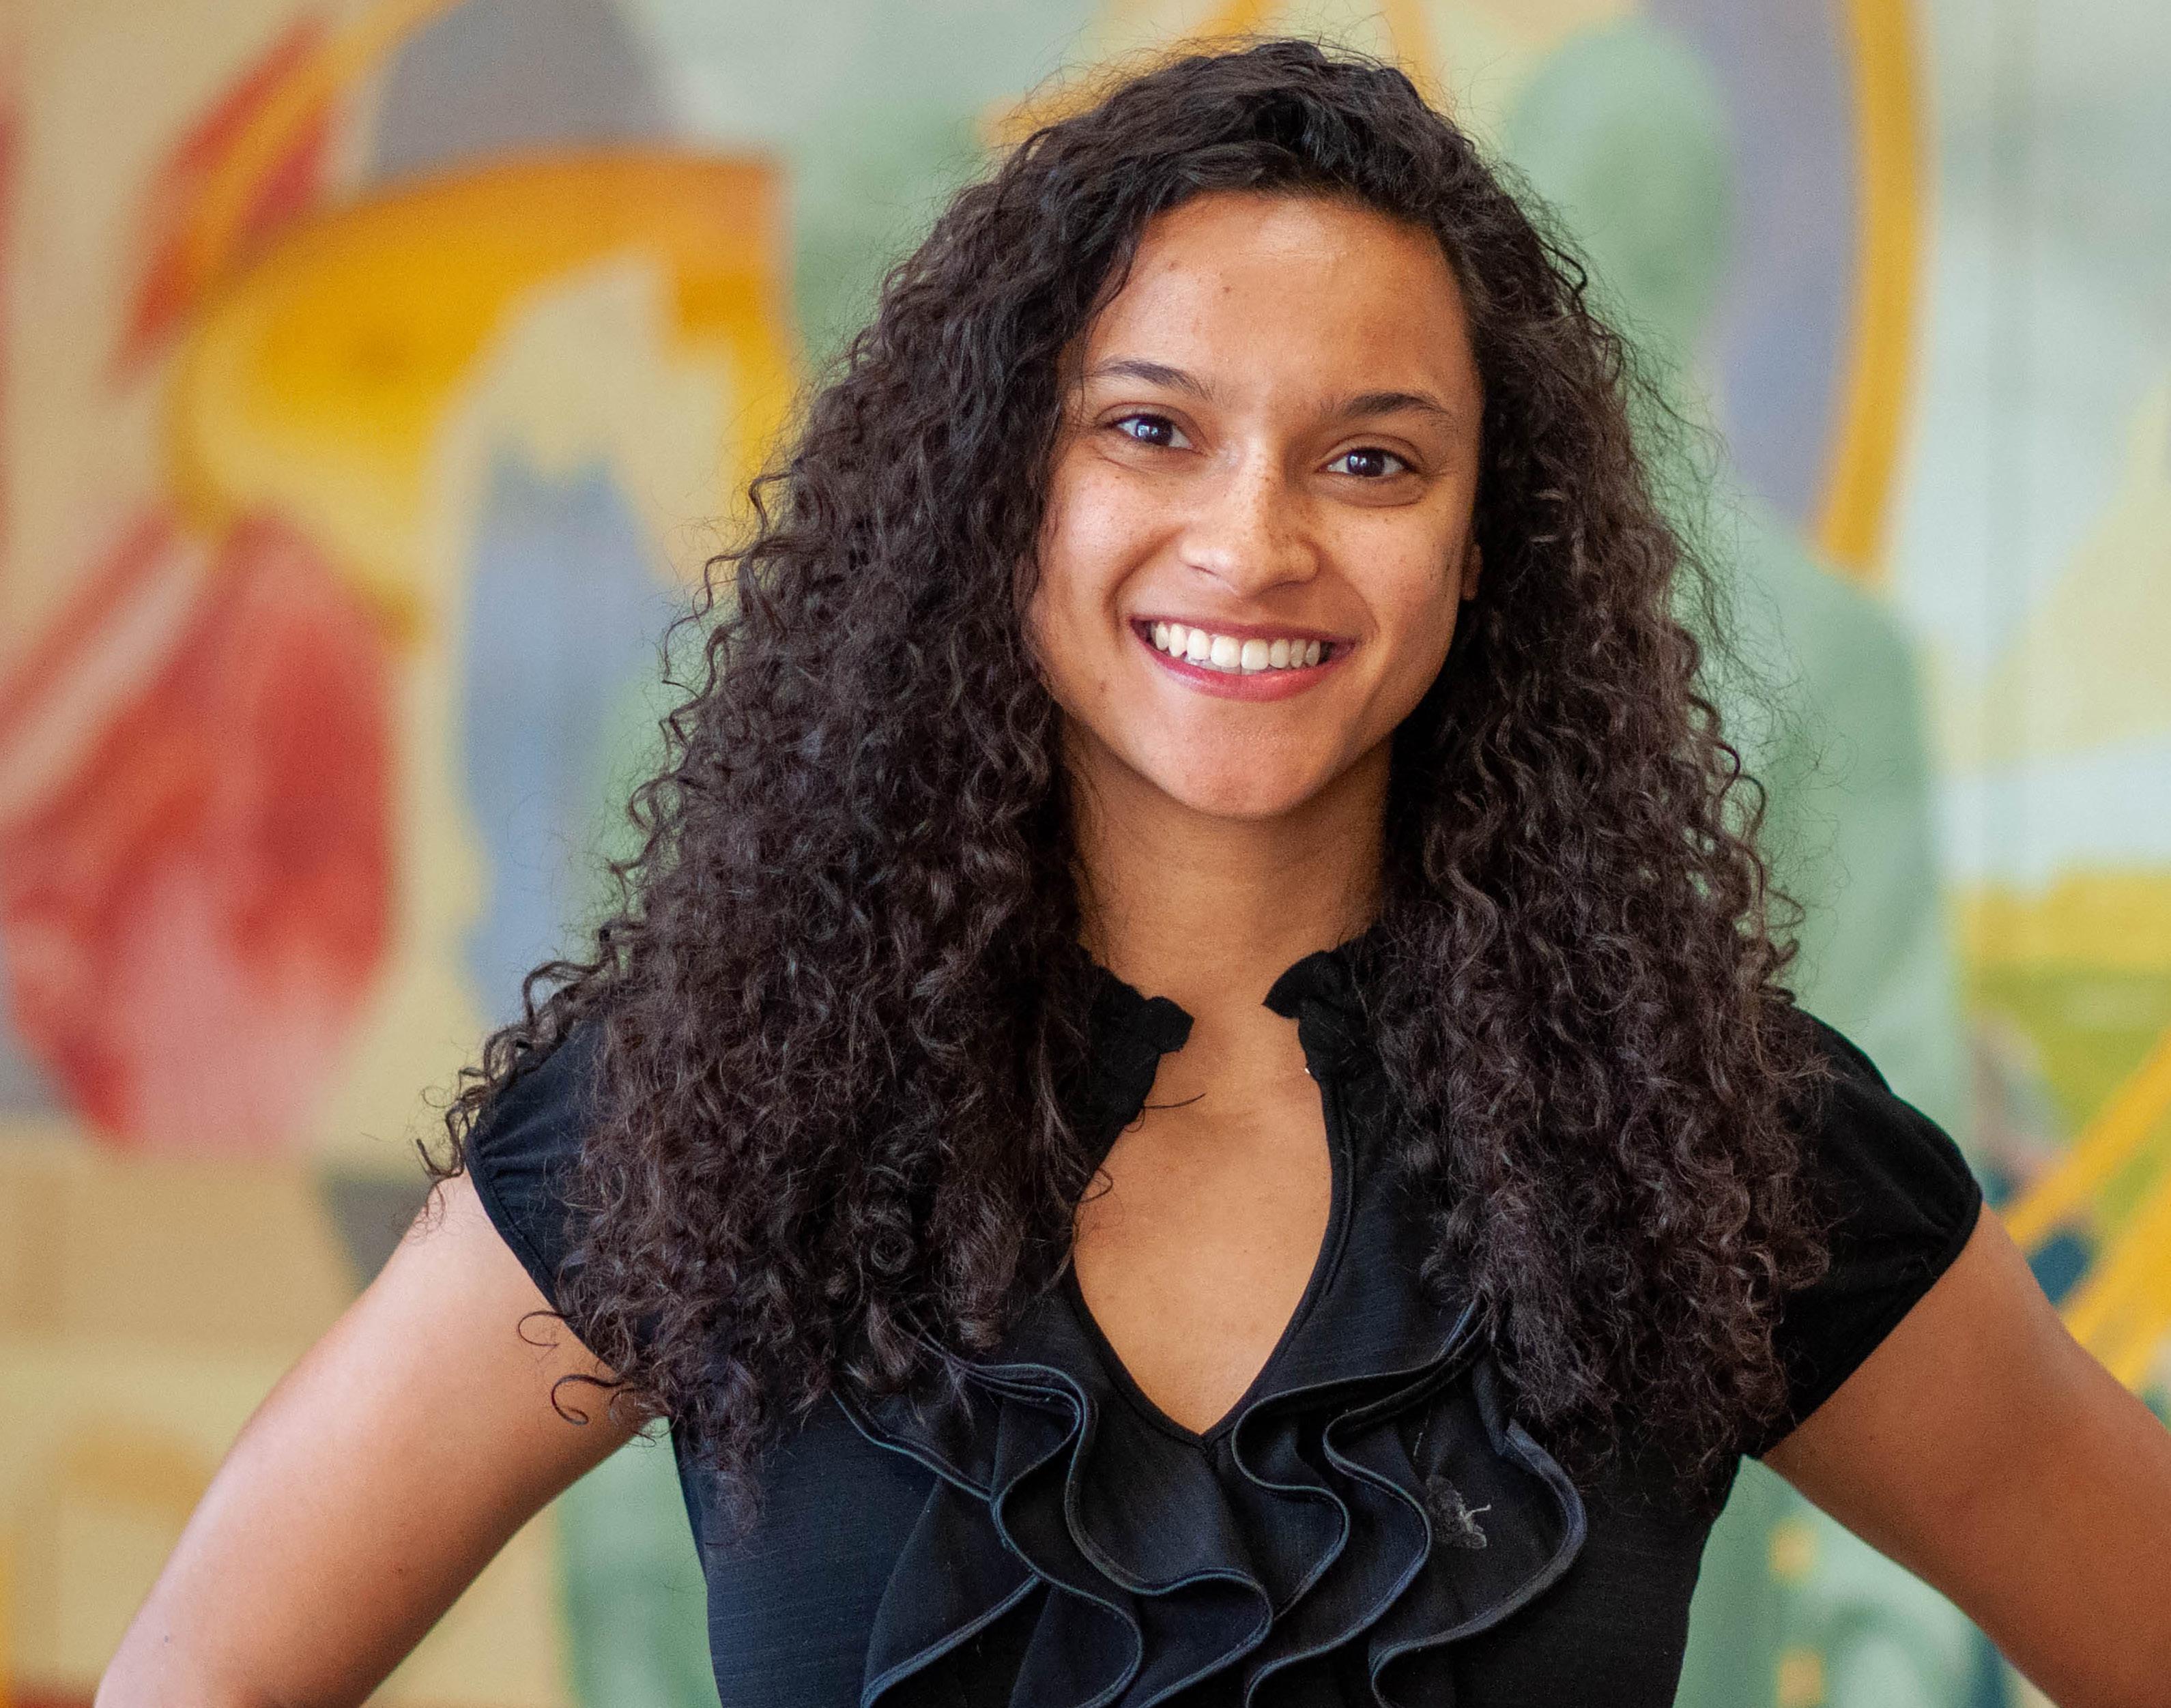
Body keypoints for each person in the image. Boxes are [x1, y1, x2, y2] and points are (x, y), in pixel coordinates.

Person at [99, 40, 2171, 1708]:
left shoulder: (1705, 1135)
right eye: (1152, 431)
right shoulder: (712, 1098)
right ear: (1004, 486)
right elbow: (204, 1674)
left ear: (1484, 546)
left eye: (1372, 459)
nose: (1254, 541)